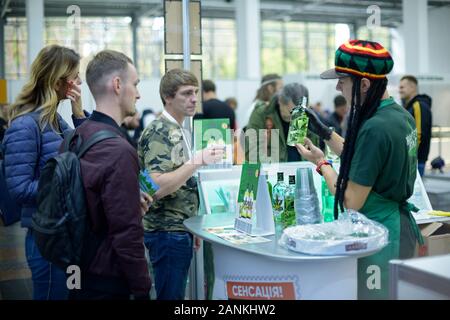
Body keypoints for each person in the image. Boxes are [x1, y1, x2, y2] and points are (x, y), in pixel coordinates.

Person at [296, 40, 422, 299]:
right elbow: (365, 158)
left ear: (364, 84)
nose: (337, 87)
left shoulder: (374, 128)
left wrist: (322, 164)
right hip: (398, 228)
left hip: (383, 235)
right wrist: (325, 132)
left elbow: (351, 200)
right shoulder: (398, 115)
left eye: (343, 80)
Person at [2, 45, 86, 300]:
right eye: (75, 75)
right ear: (57, 80)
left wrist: (79, 112)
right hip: (46, 238)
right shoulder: (25, 126)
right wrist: (65, 186)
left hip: (66, 233)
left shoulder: (55, 121)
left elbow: (87, 153)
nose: (80, 81)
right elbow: (19, 189)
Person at [69, 50, 152, 300]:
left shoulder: (76, 136)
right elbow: (127, 234)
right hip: (107, 280)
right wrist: (142, 289)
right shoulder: (118, 150)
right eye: (135, 84)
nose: (138, 94)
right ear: (117, 85)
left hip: (76, 270)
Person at [138, 69, 224, 300]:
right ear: (168, 97)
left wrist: (191, 221)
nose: (194, 98)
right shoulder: (160, 130)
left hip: (177, 227)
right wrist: (198, 160)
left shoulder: (179, 129)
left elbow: (181, 179)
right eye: (186, 93)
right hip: (166, 231)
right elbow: (154, 185)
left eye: (195, 92)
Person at [245, 83, 317, 163]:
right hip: (273, 171)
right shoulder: (261, 115)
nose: (296, 117)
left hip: (302, 170)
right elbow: (252, 152)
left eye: (301, 112)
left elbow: (317, 150)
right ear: (280, 101)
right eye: (292, 112)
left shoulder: (309, 116)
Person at [399, 75, 432, 176]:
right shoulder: (410, 106)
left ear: (412, 87)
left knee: (414, 191)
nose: (399, 90)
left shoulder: (418, 105)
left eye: (402, 87)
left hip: (414, 160)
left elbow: (419, 134)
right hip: (412, 158)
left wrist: (409, 157)